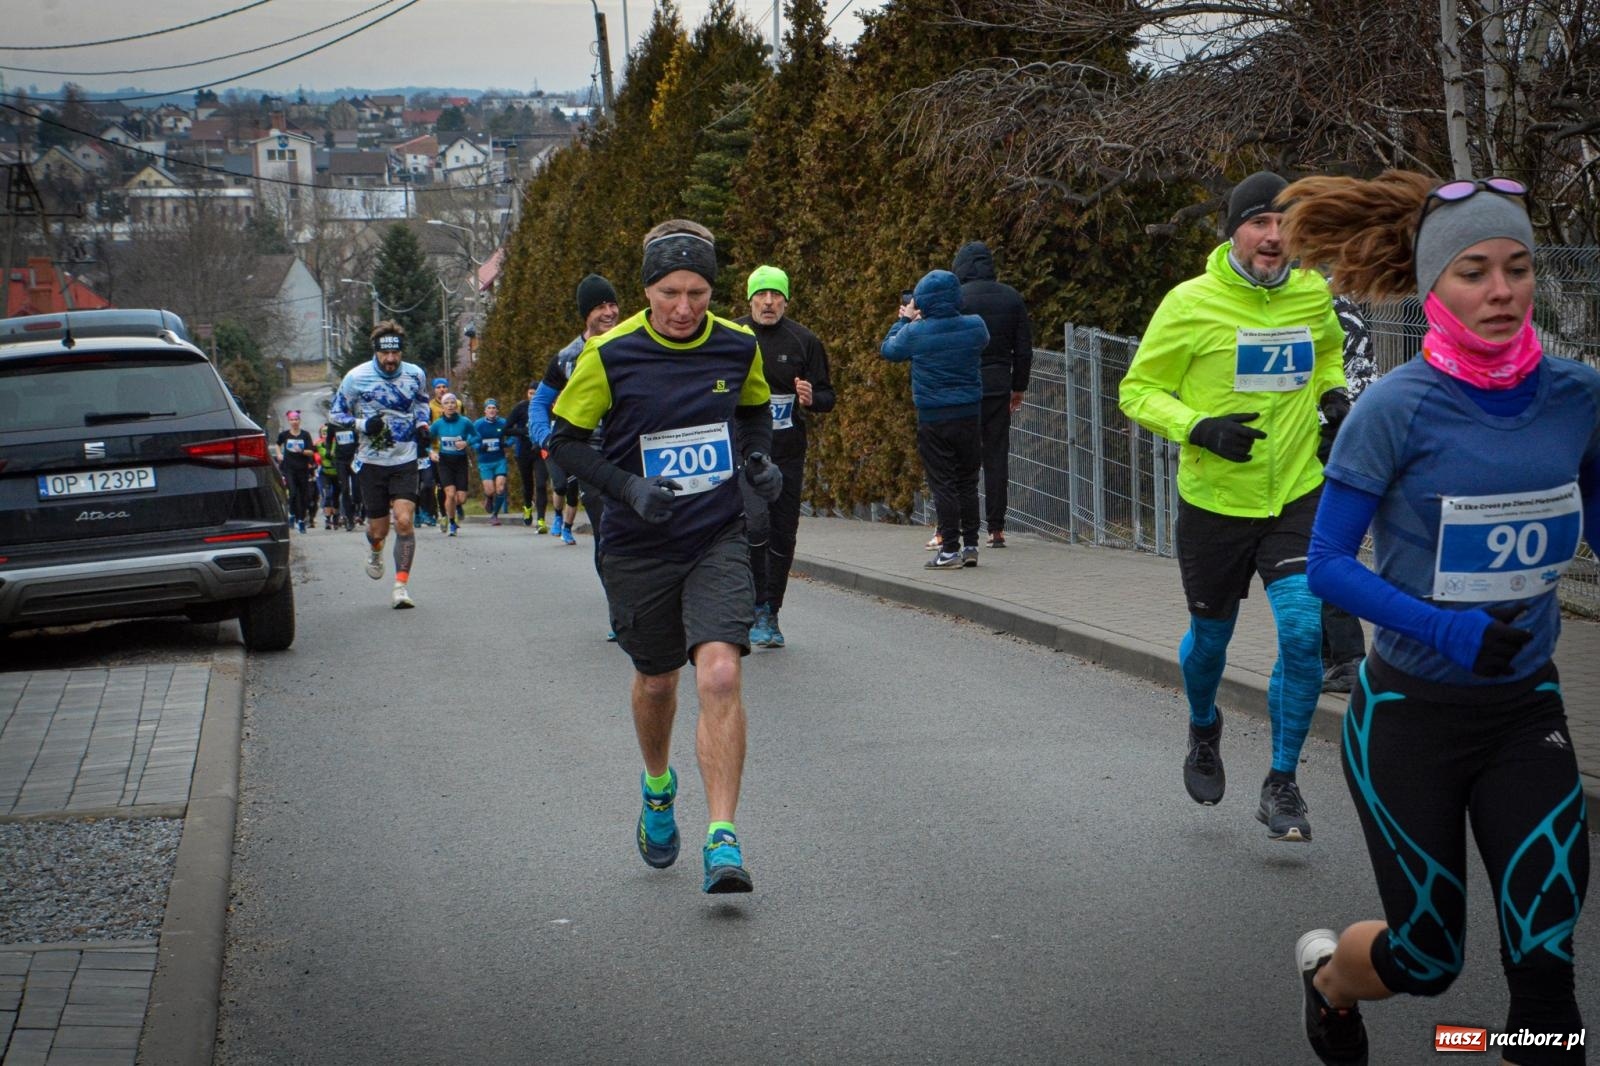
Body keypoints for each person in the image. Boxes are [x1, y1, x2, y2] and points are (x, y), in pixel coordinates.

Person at [1281, 171, 1593, 1066]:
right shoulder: (1394, 409)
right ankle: (1330, 984)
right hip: (1410, 717)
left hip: (1526, 711)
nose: (1501, 291)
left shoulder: (1578, 396)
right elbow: (1330, 565)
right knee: (1428, 958)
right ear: (1432, 288)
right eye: (1473, 271)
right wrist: (1447, 628)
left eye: (1518, 268)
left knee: (1546, 962)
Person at [547, 220, 777, 894]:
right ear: (647, 290)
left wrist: (759, 462)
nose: (683, 308)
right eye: (670, 292)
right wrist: (626, 488)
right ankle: (657, 788)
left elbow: (756, 412)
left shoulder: (736, 346)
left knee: (721, 674)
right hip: (637, 543)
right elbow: (566, 442)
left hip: (715, 535)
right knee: (656, 681)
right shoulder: (610, 353)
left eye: (699, 293)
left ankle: (723, 838)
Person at [1117, 170, 1347, 842]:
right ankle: (1203, 725)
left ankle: (1282, 781)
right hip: (1216, 500)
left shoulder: (1312, 295)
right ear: (1234, 230)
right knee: (1209, 645)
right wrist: (1200, 427)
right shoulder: (1190, 304)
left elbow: (1329, 357)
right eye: (1259, 222)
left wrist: (1333, 399)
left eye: (1286, 223)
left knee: (1304, 634)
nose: (1274, 236)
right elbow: (1138, 390)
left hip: (1298, 493)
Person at [736, 264, 834, 648]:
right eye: (761, 294)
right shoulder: (734, 335)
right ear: (750, 299)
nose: (768, 301)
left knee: (782, 534)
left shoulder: (803, 341)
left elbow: (828, 397)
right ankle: (749, 601)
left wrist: (812, 398)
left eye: (776, 295)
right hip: (745, 451)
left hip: (788, 454)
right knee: (754, 527)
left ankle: (769, 613)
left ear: (787, 301)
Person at [881, 270, 988, 571]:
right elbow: (983, 341)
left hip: (933, 417)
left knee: (943, 484)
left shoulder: (916, 333)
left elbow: (888, 350)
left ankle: (949, 549)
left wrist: (905, 319)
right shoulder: (975, 326)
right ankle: (971, 546)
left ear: (922, 300)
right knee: (968, 481)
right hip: (969, 413)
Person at [329, 321, 432, 608]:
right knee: (379, 529)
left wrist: (423, 423)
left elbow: (422, 403)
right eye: (384, 355)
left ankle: (401, 586)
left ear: (401, 352)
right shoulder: (355, 378)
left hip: (405, 458)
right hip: (371, 462)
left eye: (395, 354)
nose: (390, 360)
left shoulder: (415, 375)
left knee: (404, 520)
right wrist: (363, 424)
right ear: (375, 352)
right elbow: (335, 414)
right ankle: (375, 549)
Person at [531, 273, 621, 554]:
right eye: (599, 307)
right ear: (586, 314)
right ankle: (615, 592)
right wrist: (548, 440)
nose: (608, 313)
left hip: (629, 449)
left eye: (612, 305)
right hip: (589, 454)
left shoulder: (633, 342)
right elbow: (539, 403)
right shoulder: (567, 357)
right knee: (606, 528)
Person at [952, 241, 1033, 548]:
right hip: (999, 385)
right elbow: (1023, 349)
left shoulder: (957, 298)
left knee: (963, 456)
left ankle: (960, 524)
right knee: (997, 455)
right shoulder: (1011, 298)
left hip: (964, 384)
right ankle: (996, 528)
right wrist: (1018, 387)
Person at [1318, 294, 1379, 694]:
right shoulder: (1342, 305)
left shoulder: (1323, 307)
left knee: (1323, 551)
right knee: (1321, 549)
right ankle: (1328, 656)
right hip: (1351, 434)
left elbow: (1351, 377)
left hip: (1329, 437)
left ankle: (1347, 657)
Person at [429, 393, 477, 536]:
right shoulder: (437, 424)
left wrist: (466, 443)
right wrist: (431, 452)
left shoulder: (465, 422)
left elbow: (476, 436)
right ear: (442, 407)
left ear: (456, 406)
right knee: (450, 494)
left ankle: (450, 513)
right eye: (447, 403)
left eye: (452, 403)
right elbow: (426, 441)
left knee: (461, 498)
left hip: (460, 461)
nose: (450, 405)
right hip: (445, 461)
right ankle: (450, 521)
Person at [506, 382, 549, 530]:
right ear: (527, 394)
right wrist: (523, 431)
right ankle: (527, 506)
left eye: (536, 393)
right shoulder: (521, 408)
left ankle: (541, 519)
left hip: (540, 451)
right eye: (531, 393)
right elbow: (506, 429)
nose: (533, 396)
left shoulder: (546, 407)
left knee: (542, 484)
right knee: (528, 484)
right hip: (523, 452)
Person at [273, 410, 315, 534]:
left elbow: (311, 451)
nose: (294, 422)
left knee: (304, 496)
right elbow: (277, 444)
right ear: (289, 421)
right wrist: (279, 453)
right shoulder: (284, 435)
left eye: (296, 419)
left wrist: (302, 451)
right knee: (293, 493)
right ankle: (291, 514)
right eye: (292, 420)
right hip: (289, 468)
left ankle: (301, 521)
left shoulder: (305, 435)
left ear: (299, 421)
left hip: (302, 469)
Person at [473, 399, 511, 526]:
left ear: (497, 410)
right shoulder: (478, 424)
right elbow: (470, 439)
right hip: (485, 462)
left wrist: (506, 443)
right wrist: (478, 447)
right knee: (490, 490)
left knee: (500, 488)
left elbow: (513, 435)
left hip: (499, 460)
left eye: (494, 408)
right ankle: (489, 498)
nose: (492, 410)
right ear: (485, 411)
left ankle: (495, 515)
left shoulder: (503, 423)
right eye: (489, 408)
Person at [329, 413, 361, 531]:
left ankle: (357, 506)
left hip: (353, 460)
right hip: (340, 461)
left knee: (357, 490)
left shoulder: (354, 423)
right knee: (345, 489)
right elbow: (328, 440)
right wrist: (328, 451)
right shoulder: (333, 425)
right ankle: (349, 518)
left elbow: (360, 440)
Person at [314, 422, 340, 529]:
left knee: (336, 495)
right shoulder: (318, 444)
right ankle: (327, 519)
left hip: (337, 472)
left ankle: (336, 517)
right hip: (324, 472)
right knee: (327, 495)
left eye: (327, 432)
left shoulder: (337, 442)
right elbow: (318, 457)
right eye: (323, 432)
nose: (325, 434)